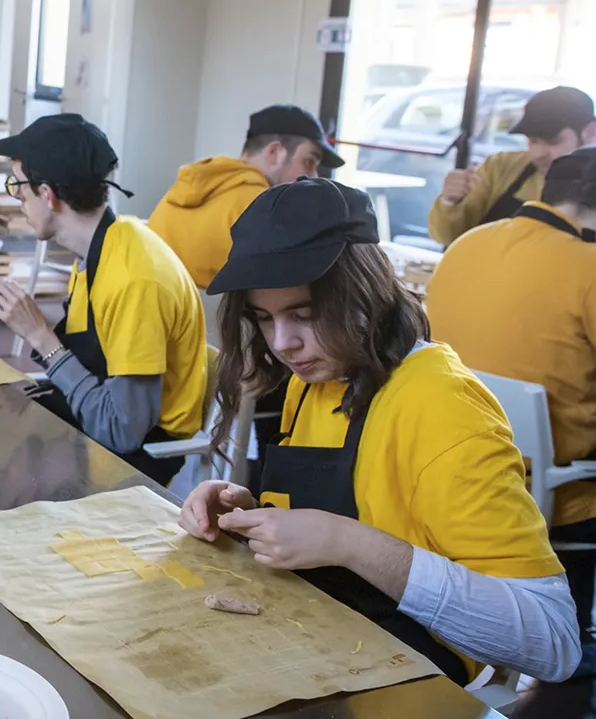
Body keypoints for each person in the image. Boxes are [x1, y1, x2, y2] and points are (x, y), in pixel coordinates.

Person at [182, 177, 578, 684]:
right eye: (265, 319)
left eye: (303, 314)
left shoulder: (443, 408)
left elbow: (554, 641)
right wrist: (252, 513)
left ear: (363, 290)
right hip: (318, 638)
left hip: (409, 675)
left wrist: (348, 543)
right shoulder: (318, 376)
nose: (283, 343)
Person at [426, 147, 596, 673]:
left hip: (452, 461)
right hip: (553, 490)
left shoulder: (467, 243)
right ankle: (577, 639)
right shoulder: (586, 265)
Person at [0, 115, 207, 484]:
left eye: (18, 185)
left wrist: (39, 336)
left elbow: (121, 430)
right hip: (95, 430)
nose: (17, 196)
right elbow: (93, 362)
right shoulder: (102, 248)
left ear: (48, 194)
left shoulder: (135, 278)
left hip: (132, 461)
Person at [149, 104, 342, 289]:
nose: (314, 176)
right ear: (275, 152)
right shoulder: (265, 210)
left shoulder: (187, 186)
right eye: (309, 161)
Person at [429, 86, 596, 246]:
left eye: (552, 142)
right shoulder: (501, 167)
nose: (538, 153)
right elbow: (447, 237)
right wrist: (449, 201)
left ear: (590, 132)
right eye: (532, 140)